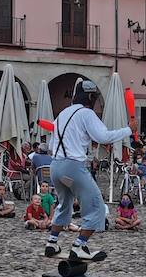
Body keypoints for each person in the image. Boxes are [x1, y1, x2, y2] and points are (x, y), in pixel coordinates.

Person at [44, 79, 131, 259]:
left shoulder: (62, 114)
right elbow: (103, 136)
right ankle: (79, 246)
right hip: (73, 167)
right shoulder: (87, 114)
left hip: (56, 167)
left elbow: (52, 144)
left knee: (64, 204)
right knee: (97, 206)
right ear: (90, 97)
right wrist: (128, 130)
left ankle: (52, 243)